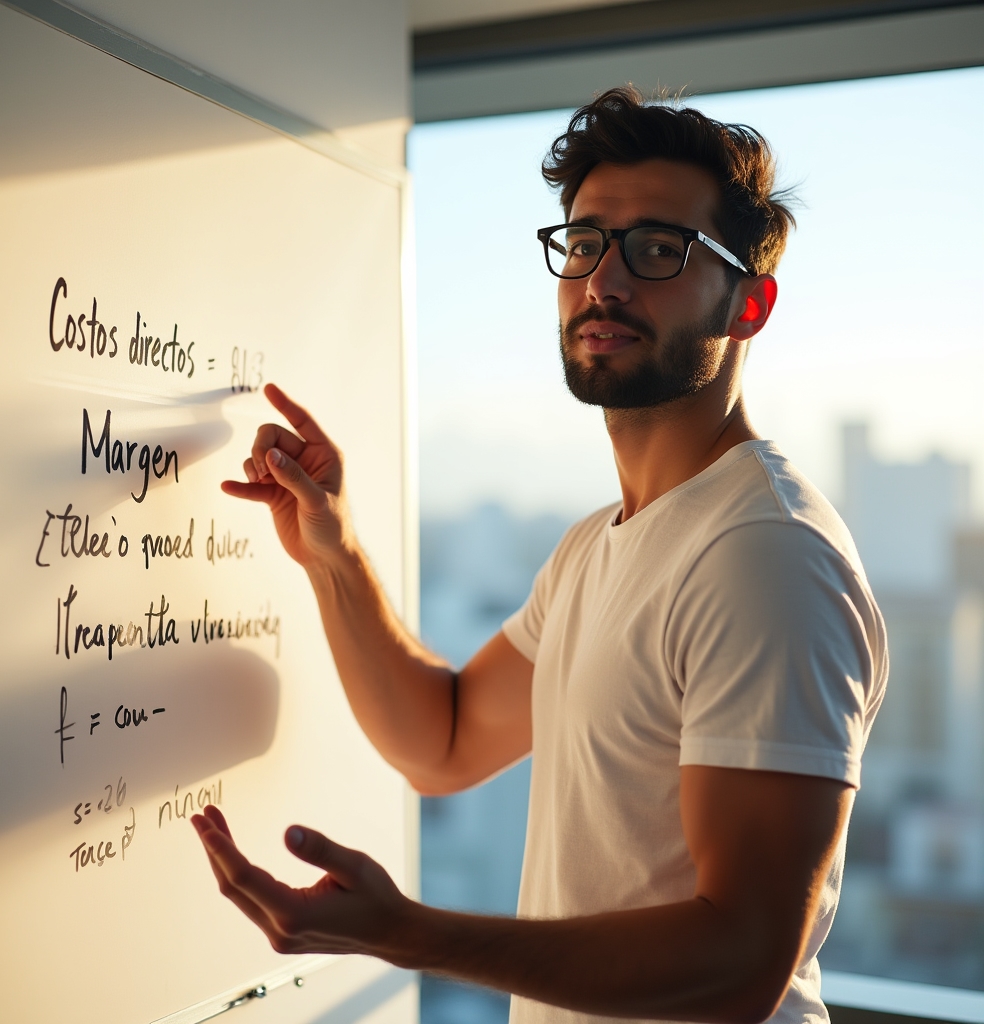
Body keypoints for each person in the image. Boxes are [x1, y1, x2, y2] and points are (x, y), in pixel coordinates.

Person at [191, 86, 888, 1024]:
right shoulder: (596, 545)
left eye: (657, 249)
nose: (605, 281)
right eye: (586, 243)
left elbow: (741, 962)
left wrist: (409, 934)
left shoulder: (763, 556)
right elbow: (440, 743)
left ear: (749, 305)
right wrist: (333, 552)